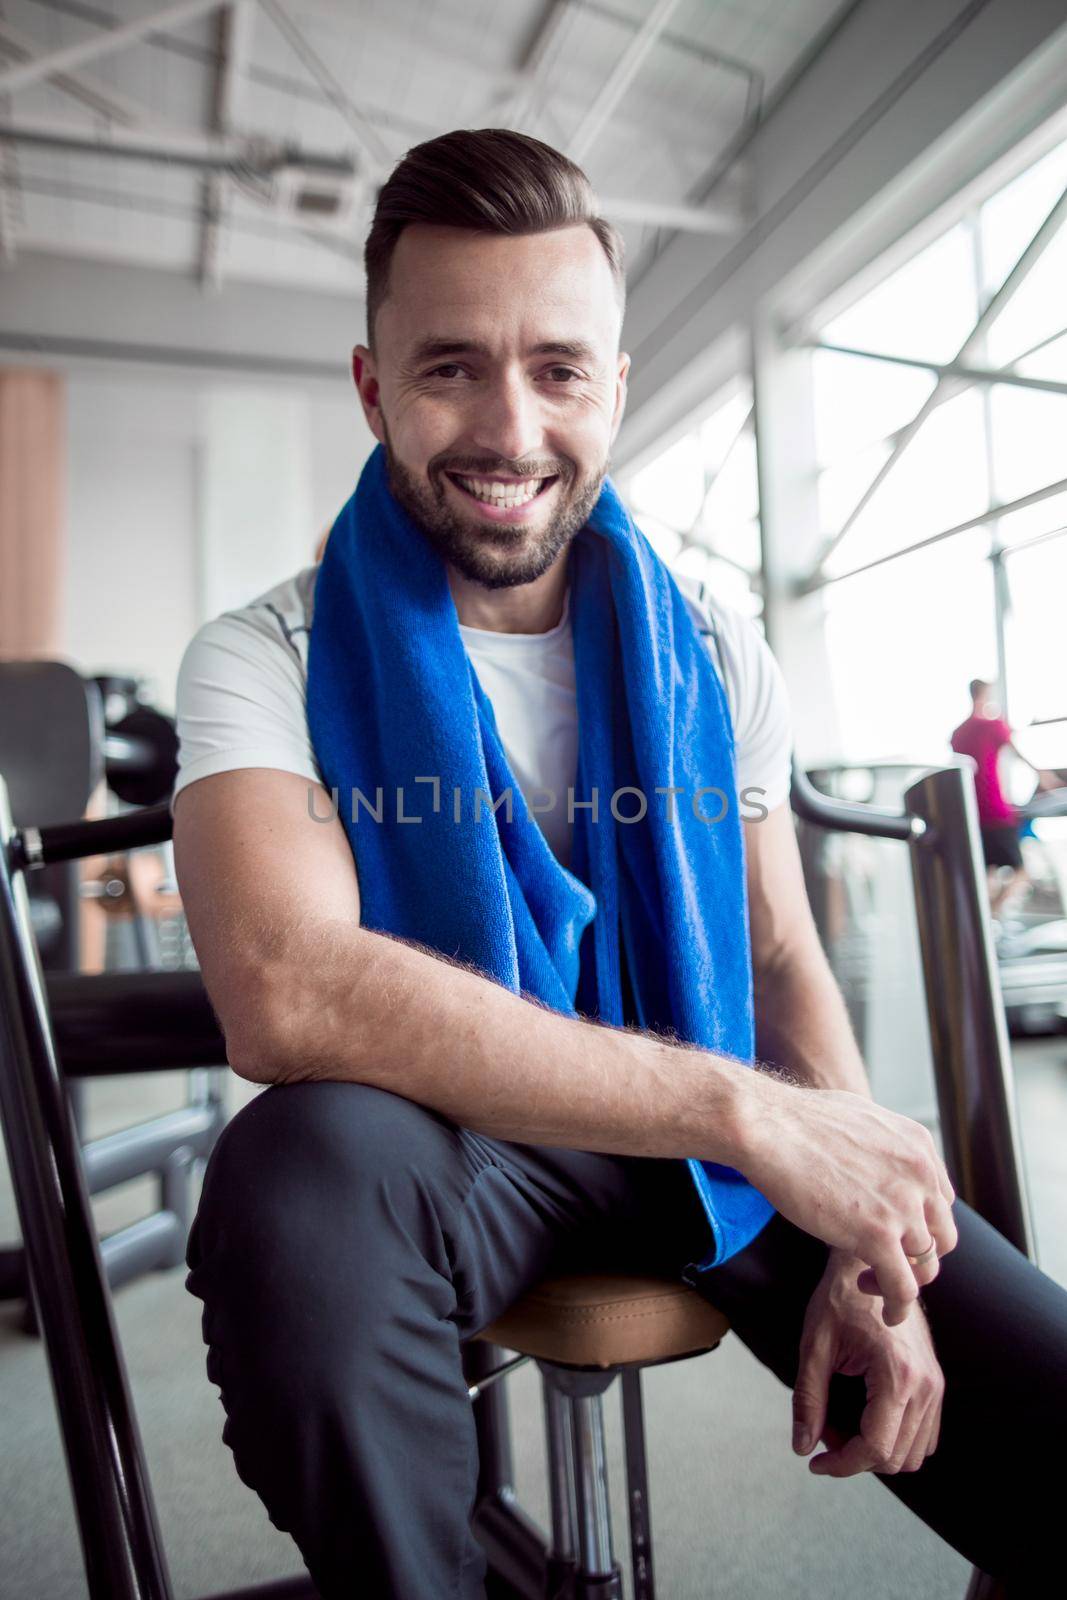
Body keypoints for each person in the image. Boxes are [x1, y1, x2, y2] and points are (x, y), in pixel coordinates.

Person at [173, 129, 1066, 1598]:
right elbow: (286, 990)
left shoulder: (712, 650)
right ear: (371, 385)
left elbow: (776, 961)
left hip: (721, 1143)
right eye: (450, 365)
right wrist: (737, 1110)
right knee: (297, 1179)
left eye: (557, 370)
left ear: (616, 387)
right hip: (454, 1150)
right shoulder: (263, 657)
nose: (508, 428)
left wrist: (867, 1256)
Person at [950, 677, 1059, 915]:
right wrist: (1044, 775)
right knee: (1021, 871)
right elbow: (1018, 753)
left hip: (970, 812)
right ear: (984, 695)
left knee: (987, 871)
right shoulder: (992, 725)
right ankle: (992, 916)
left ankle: (983, 922)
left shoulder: (958, 733)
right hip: (995, 810)